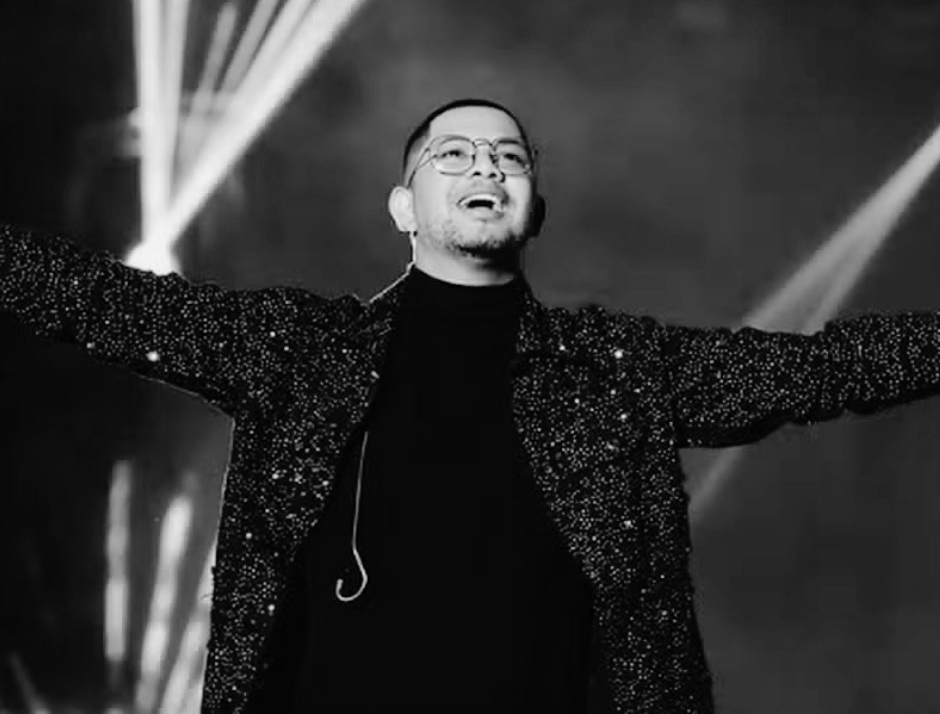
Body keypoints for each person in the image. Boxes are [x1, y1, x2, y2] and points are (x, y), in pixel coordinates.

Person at [2, 98, 940, 714]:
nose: (485, 164)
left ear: (534, 209)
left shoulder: (617, 370)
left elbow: (827, 368)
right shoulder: (300, 352)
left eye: (508, 157)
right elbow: (94, 300)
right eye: (452, 153)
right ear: (404, 208)